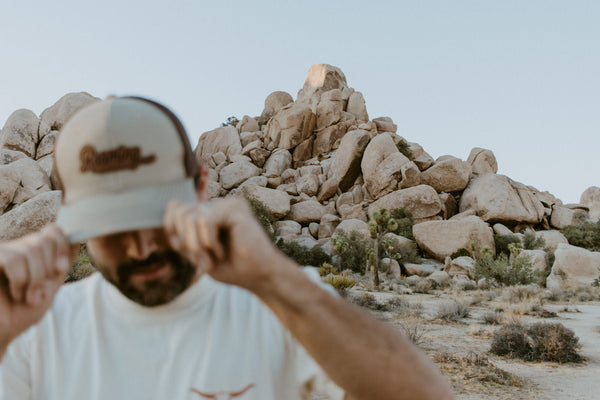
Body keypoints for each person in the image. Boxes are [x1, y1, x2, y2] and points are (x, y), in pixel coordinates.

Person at [0, 96, 454, 399]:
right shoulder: (35, 333)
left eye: (156, 215)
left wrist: (277, 279)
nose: (140, 248)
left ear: (202, 187)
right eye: (112, 227)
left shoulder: (283, 308)